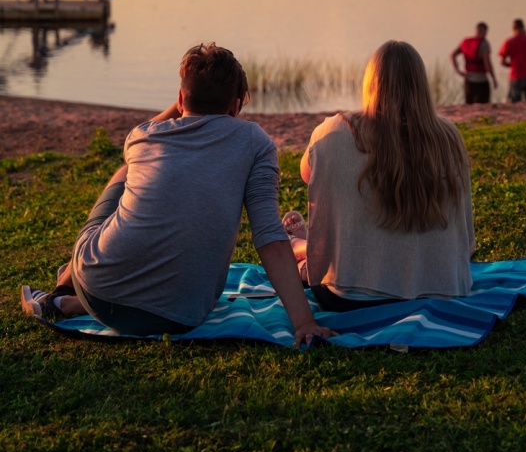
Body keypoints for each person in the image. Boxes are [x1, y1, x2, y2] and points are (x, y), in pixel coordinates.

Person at [21, 43, 335, 347]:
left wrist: (186, 99)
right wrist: (304, 322)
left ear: (181, 99)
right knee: (131, 177)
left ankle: (64, 290)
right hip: (182, 314)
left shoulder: (143, 137)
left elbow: (149, 127)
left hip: (99, 294)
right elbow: (269, 237)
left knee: (125, 171)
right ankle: (66, 294)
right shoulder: (255, 142)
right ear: (237, 105)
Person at [283, 41, 475, 312]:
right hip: (443, 289)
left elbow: (306, 174)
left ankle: (299, 247)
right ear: (421, 84)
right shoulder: (448, 135)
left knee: (309, 268)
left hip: (350, 296)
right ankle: (303, 244)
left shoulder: (333, 131)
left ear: (370, 83)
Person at [450, 22, 497, 104]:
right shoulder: (484, 44)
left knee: (469, 104)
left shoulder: (465, 42)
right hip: (481, 80)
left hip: (468, 79)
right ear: (485, 31)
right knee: (483, 105)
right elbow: (487, 64)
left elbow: (452, 55)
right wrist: (493, 78)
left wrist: (458, 70)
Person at [498, 19, 526, 102]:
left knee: (514, 102)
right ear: (523, 27)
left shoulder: (509, 41)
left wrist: (512, 65)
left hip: (516, 75)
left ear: (513, 29)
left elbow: (502, 62)